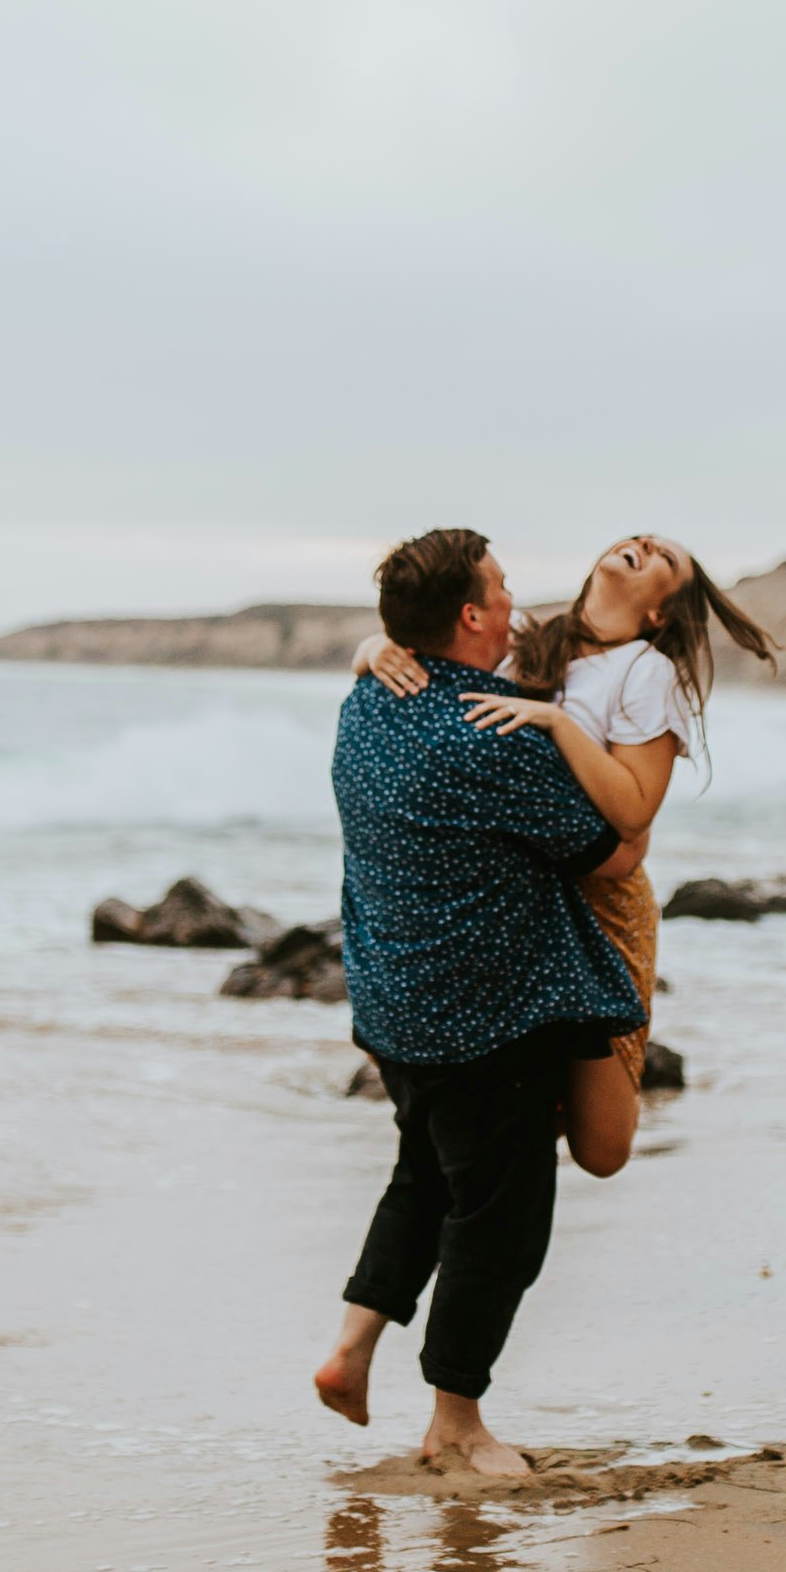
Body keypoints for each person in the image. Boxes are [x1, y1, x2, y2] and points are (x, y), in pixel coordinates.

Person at [314, 528, 649, 1476]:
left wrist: (373, 648)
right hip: (487, 1014)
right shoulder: (493, 731)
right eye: (499, 589)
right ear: (469, 615)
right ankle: (455, 1423)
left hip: (394, 1003)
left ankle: (350, 1350)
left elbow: (422, 652)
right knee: (501, 1219)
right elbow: (613, 850)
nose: (514, 600)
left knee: (426, 1174)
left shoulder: (367, 700)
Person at [355, 534, 776, 1177]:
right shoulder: (530, 637)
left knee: (600, 1149)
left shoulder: (644, 671)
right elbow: (438, 641)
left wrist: (559, 724)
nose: (642, 544)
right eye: (639, 536)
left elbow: (633, 812)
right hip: (520, 894)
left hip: (604, 905)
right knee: (502, 1117)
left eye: (664, 558)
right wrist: (374, 649)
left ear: (660, 613)